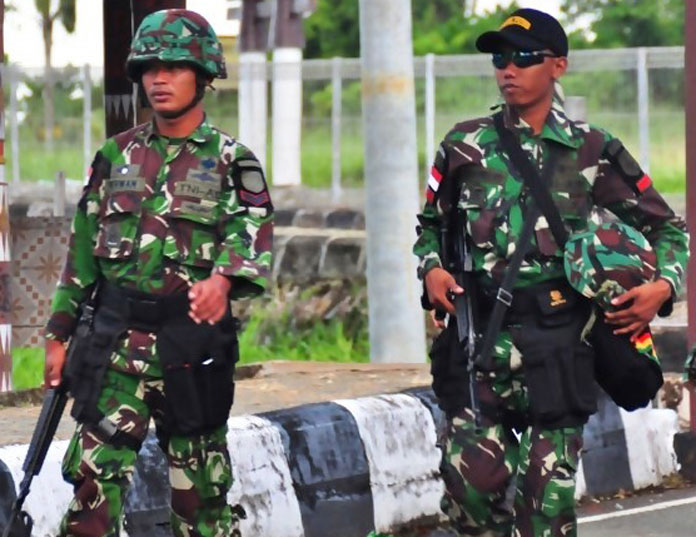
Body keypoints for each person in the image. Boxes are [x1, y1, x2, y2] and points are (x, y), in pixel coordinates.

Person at [413, 7, 688, 537]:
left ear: (558, 66)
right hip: (480, 349)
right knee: (470, 501)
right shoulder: (464, 146)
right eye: (499, 58)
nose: (508, 69)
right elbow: (429, 229)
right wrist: (431, 271)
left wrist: (663, 286)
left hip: (559, 347)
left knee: (546, 514)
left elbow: (668, 229)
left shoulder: (593, 149)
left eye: (523, 57)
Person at [43, 9, 273, 537]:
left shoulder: (233, 162)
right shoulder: (114, 155)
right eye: (149, 68)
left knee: (201, 507)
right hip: (115, 349)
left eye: (173, 67)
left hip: (191, 350)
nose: (158, 79)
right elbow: (82, 254)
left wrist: (222, 282)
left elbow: (253, 236)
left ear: (204, 75)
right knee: (90, 498)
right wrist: (58, 333)